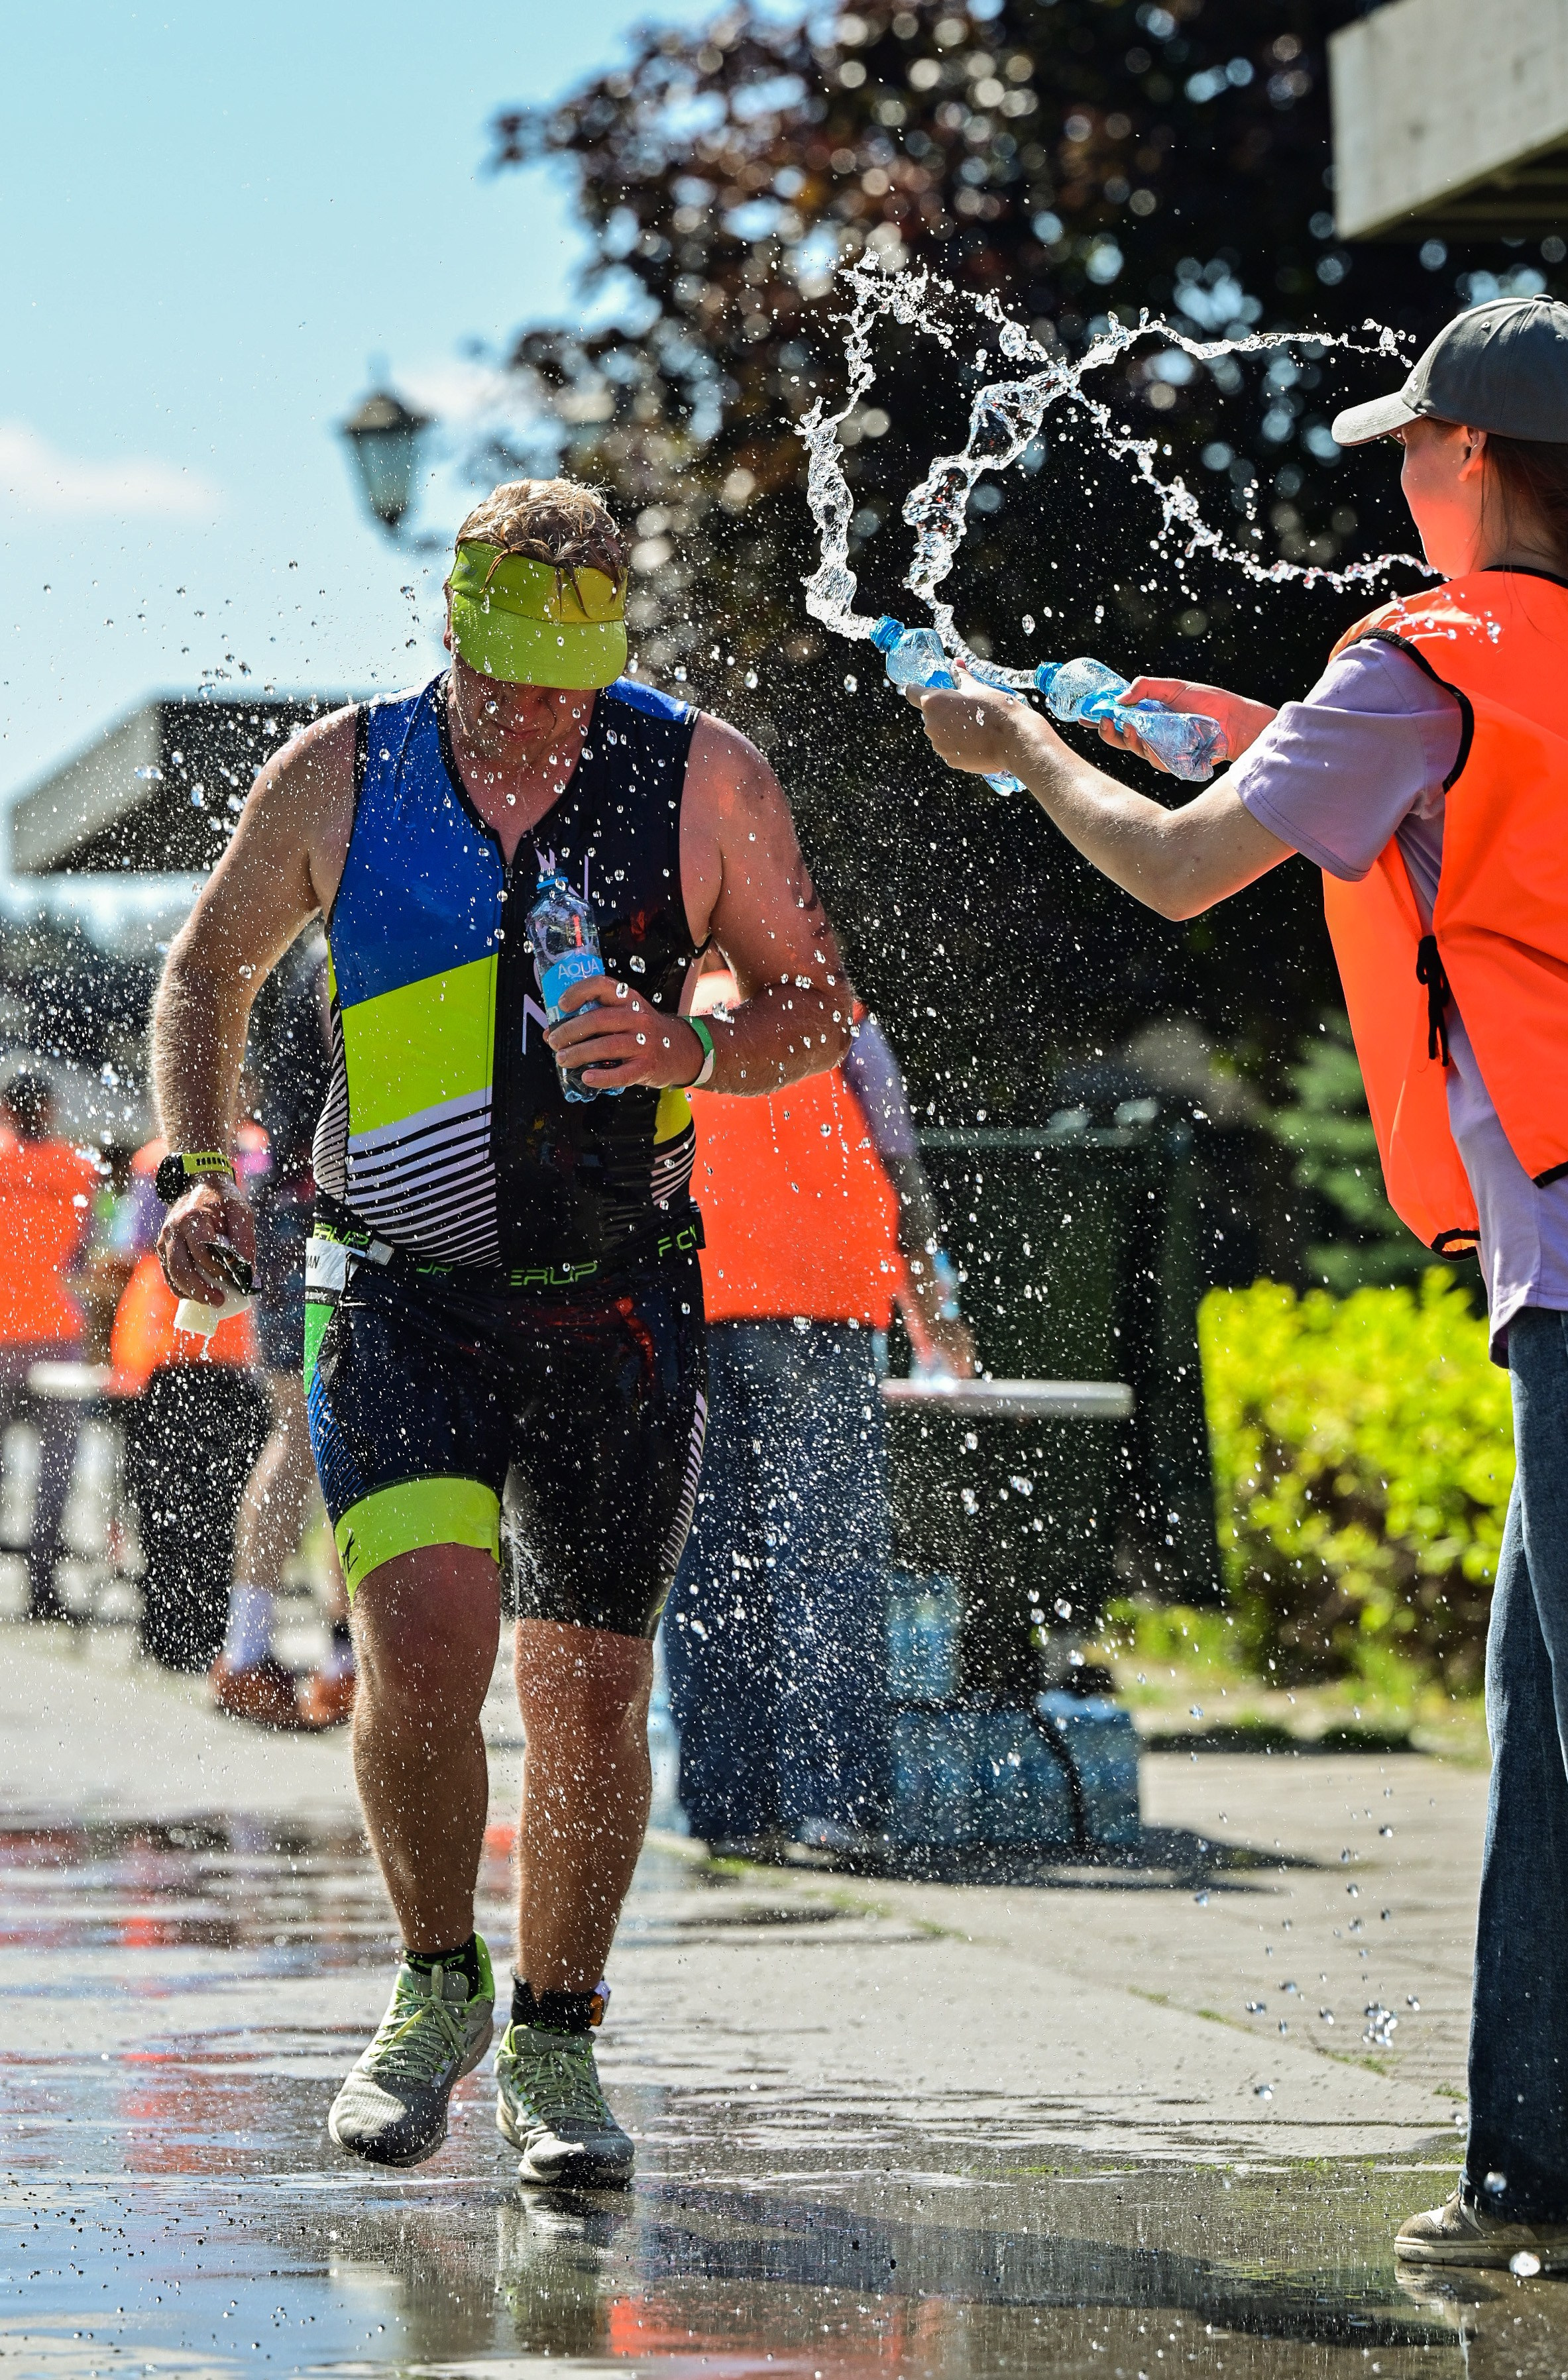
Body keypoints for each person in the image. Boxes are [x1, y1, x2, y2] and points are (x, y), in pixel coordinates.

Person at [905, 295, 1568, 2269]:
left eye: (1409, 447)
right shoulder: (1507, 666)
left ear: (1470, 462)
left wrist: (1023, 743)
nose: (1392, 476)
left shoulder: (1426, 650)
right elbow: (1420, 804)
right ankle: (1533, 2178)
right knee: (1538, 1728)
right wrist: (1215, 721)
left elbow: (1188, 868)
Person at [149, 477, 853, 2187]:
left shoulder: (702, 776)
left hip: (619, 1298)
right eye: (515, 680)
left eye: (574, 680)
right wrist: (193, 1167)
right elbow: (205, 969)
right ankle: (429, 1989)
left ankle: (555, 2034)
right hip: (393, 1284)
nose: (545, 716)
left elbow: (816, 1002)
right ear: (452, 632)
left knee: (593, 1690)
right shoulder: (342, 772)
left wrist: (693, 1053)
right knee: (423, 1634)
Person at [668, 968, 973, 1857]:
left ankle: (731, 1812)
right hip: (821, 1306)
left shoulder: (666, 1012)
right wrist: (936, 1311)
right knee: (826, 1562)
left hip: (692, 1303)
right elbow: (899, 1164)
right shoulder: (833, 1013)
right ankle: (840, 1807)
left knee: (708, 1571)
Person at [209, 947, 357, 1731]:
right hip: (319, 1215)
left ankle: (307, 1653)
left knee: (314, 1437)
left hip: (291, 1210)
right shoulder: (335, 949)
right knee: (318, 1437)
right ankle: (277, 1653)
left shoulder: (292, 954)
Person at [110, 1132, 271, 1671]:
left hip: (167, 1349)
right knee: (219, 1502)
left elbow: (131, 1244)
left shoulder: (162, 1158)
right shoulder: (262, 1152)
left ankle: (166, 1633)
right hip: (228, 1351)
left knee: (164, 1502)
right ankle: (204, 1637)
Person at [0, 1071, 97, 1621]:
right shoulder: (75, 1166)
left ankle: (40, 1580)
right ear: (51, 1109)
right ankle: (42, 1585)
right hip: (55, 1333)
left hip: (24, 1333)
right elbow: (81, 1254)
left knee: (50, 1468)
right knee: (55, 1469)